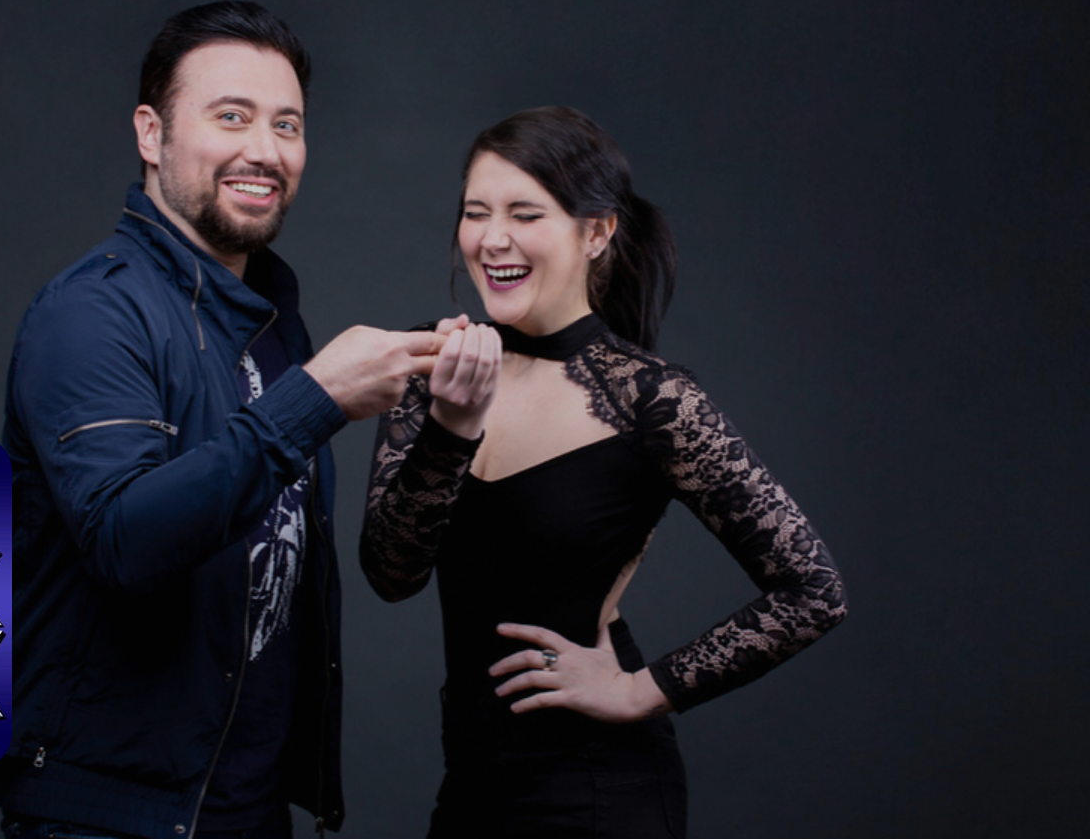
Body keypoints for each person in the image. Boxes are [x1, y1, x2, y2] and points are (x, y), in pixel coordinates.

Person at [0, 0, 445, 839]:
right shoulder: (93, 312)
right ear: (151, 134)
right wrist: (317, 399)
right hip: (108, 819)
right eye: (231, 116)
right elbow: (124, 538)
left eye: (287, 125)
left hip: (243, 812)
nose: (265, 149)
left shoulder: (270, 324)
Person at [360, 106, 849, 838]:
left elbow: (813, 591)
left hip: (596, 790)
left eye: (526, 214)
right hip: (470, 787)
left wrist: (639, 690)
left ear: (596, 233)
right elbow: (392, 572)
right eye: (476, 212)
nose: (492, 238)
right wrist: (451, 427)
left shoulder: (650, 398)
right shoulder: (438, 364)